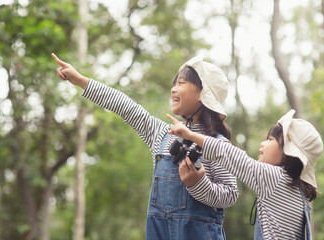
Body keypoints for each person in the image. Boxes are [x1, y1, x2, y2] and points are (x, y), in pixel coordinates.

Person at [52, 53, 239, 240]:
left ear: (202, 94)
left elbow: (230, 194)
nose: (173, 89)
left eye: (181, 83)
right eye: (174, 83)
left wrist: (198, 184)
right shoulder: (162, 134)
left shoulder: (216, 143)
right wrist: (80, 80)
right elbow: (124, 106)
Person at [167, 109, 323, 239]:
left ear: (288, 152)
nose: (263, 143)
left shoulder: (276, 179)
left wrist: (191, 135)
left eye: (270, 139)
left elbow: (230, 155)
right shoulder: (298, 192)